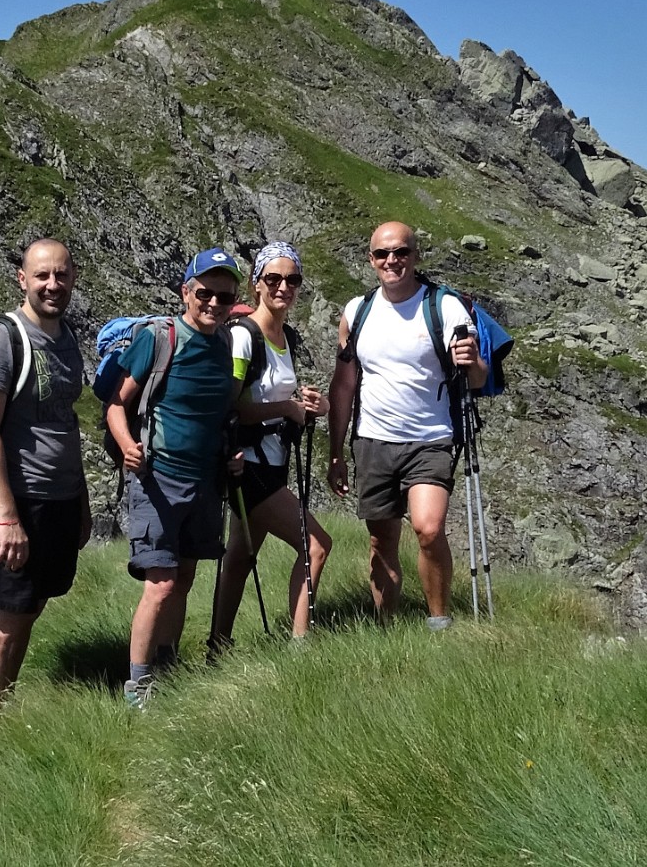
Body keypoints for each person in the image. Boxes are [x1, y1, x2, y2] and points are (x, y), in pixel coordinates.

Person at [326, 222, 487, 628]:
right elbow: (345, 384)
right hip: (373, 441)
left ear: (415, 256)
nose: (391, 261)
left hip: (430, 440)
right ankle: (386, 626)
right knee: (381, 541)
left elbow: (477, 379)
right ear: (371, 259)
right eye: (382, 254)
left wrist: (475, 362)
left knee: (428, 530)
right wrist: (336, 450)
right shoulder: (356, 311)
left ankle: (439, 624)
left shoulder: (444, 306)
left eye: (401, 252)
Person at [107, 247, 242, 707]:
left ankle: (166, 665)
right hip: (158, 476)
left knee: (183, 576)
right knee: (161, 583)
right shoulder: (160, 337)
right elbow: (116, 403)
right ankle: (138, 686)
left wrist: (231, 453)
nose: (214, 304)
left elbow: (217, 411)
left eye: (224, 297)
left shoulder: (225, 342)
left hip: (206, 479)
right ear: (186, 292)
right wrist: (127, 445)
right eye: (205, 293)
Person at [0, 238, 90, 721]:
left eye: (61, 274)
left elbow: (67, 423)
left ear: (73, 277)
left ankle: (4, 715)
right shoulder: (1, 339)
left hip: (58, 500)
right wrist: (7, 517)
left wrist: (80, 502)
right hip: (19, 502)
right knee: (2, 621)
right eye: (42, 275)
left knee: (28, 610)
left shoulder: (65, 339)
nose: (52, 284)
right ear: (23, 279)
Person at [211, 242, 332, 645]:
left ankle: (218, 643)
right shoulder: (244, 337)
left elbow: (278, 402)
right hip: (251, 466)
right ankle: (300, 649)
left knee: (240, 558)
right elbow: (231, 405)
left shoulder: (287, 338)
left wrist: (314, 406)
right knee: (316, 545)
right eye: (274, 279)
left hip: (271, 461)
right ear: (256, 284)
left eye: (292, 279)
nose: (284, 287)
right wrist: (289, 407)